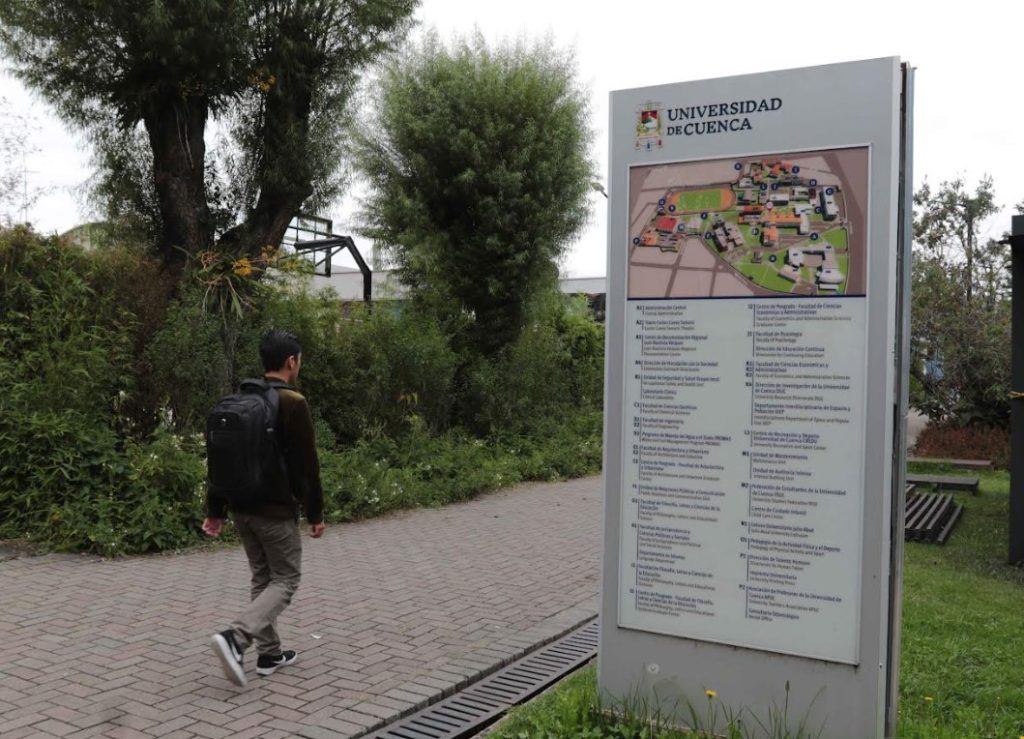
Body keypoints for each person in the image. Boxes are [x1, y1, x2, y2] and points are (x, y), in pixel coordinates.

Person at [203, 329, 325, 687]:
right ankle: (236, 638)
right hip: (274, 510)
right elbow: (307, 466)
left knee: (263, 578)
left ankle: (270, 653)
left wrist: (215, 509)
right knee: (286, 579)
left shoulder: (238, 399)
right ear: (291, 361)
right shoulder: (293, 402)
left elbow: (219, 459)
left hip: (241, 508)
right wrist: (316, 513)